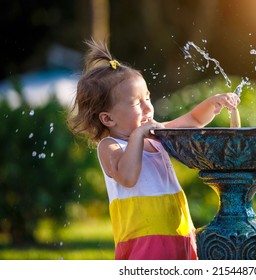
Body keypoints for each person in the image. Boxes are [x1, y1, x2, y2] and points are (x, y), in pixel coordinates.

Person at [68, 38, 240, 260]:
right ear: (108, 118)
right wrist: (139, 134)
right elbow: (128, 177)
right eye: (136, 103)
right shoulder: (110, 146)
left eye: (147, 97)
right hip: (144, 242)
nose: (148, 106)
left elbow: (193, 120)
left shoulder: (157, 135)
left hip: (179, 234)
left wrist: (214, 102)